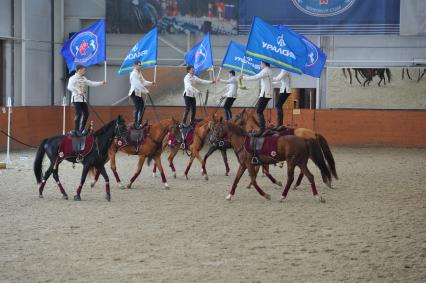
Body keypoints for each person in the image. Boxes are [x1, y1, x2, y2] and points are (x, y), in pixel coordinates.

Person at [67, 65, 106, 136]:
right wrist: (78, 91)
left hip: (83, 99)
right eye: (83, 70)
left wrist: (101, 83)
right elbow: (69, 87)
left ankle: (81, 129)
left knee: (86, 113)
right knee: (78, 113)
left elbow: (91, 83)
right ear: (79, 70)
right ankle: (76, 130)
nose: (85, 71)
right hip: (76, 99)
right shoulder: (73, 78)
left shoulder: (84, 78)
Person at [240, 61, 273, 135]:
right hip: (266, 93)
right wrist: (245, 75)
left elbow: (256, 77)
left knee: (259, 111)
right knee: (259, 110)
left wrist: (244, 78)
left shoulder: (265, 70)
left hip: (265, 94)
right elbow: (257, 75)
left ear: (264, 63)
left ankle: (262, 130)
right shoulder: (268, 70)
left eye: (261, 63)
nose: (260, 65)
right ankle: (262, 128)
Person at [128, 60, 154, 129]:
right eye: (139, 65)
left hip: (138, 93)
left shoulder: (139, 73)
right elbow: (137, 84)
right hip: (134, 92)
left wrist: (151, 83)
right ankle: (136, 123)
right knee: (138, 107)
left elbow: (143, 81)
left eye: (140, 65)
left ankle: (139, 123)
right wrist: (146, 91)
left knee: (142, 107)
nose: (140, 66)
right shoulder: (133, 73)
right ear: (135, 65)